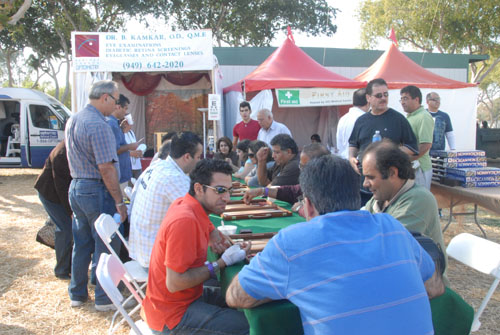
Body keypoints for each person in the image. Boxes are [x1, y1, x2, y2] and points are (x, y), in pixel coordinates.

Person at [226, 155, 443, 335]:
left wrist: (288, 286)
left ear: (307, 205)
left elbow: (235, 296)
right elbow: (434, 287)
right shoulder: (392, 226)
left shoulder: (291, 242)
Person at [142, 159, 251, 335]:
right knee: (250, 325)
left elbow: (213, 233)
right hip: (172, 316)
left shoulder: (188, 204)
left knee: (244, 298)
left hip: (184, 299)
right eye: (220, 191)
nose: (227, 198)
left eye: (229, 191)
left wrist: (227, 243)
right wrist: (222, 263)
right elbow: (175, 283)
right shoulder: (184, 220)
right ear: (199, 188)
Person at [65, 80, 127, 311]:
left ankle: (77, 293)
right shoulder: (99, 124)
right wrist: (119, 201)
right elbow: (106, 168)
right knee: (106, 243)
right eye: (116, 100)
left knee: (81, 243)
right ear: (105, 98)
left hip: (77, 186)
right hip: (96, 189)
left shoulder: (75, 118)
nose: (117, 105)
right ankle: (103, 297)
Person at [362, 140, 447, 276]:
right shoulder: (380, 198)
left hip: (424, 290)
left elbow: (384, 248)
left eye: (370, 177)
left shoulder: (419, 199)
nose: (365, 184)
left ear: (392, 172)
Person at [129, 132, 203, 270]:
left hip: (141, 249)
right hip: (155, 258)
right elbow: (198, 215)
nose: (199, 162)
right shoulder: (174, 178)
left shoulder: (157, 166)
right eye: (198, 157)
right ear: (187, 157)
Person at [348, 78, 418, 204]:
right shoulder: (361, 121)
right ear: (368, 98)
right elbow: (353, 144)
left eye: (386, 94)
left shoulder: (398, 119)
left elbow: (412, 148)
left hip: (388, 188)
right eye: (378, 95)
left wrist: (388, 154)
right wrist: (351, 158)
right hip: (364, 185)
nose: (383, 98)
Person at [243, 143, 330, 206]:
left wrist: (300, 208)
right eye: (301, 166)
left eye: (277, 152)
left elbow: (323, 211)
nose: (273, 156)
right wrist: (262, 191)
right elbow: (293, 191)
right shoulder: (313, 180)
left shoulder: (332, 183)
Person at [34, 140, 73, 280]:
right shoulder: (62, 154)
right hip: (50, 193)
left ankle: (69, 265)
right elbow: (61, 187)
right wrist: (70, 211)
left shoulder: (70, 146)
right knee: (65, 228)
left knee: (68, 228)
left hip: (58, 193)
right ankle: (62, 270)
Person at [400, 85, 434, 190]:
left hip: (419, 168)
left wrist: (407, 160)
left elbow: (425, 145)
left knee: (419, 202)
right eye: (401, 99)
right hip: (409, 167)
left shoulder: (424, 117)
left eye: (405, 98)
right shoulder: (410, 117)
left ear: (416, 99)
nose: (402, 102)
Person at [106, 94, 139, 190]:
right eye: (125, 108)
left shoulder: (115, 123)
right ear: (118, 107)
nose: (125, 112)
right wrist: (130, 146)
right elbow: (115, 150)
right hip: (117, 174)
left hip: (120, 174)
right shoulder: (111, 124)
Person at [336, 88, 369, 159]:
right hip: (358, 161)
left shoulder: (343, 118)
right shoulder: (365, 118)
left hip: (344, 160)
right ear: (368, 101)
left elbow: (339, 145)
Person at [122, 113, 144, 180]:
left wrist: (139, 152)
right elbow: (118, 150)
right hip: (127, 167)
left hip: (137, 166)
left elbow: (135, 147)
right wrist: (131, 153)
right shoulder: (120, 134)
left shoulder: (131, 132)